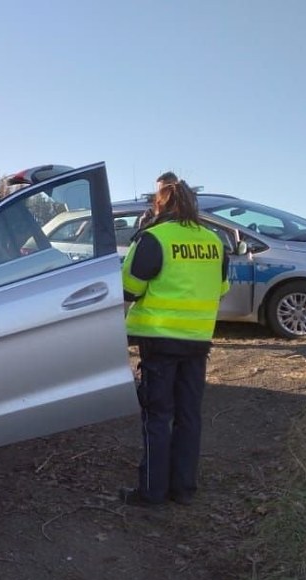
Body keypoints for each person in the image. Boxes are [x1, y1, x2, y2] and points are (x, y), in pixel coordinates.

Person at [120, 178, 229, 507]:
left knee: (157, 415)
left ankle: (152, 492)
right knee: (188, 415)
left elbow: (129, 289)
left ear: (158, 204)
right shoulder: (215, 240)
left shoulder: (154, 238)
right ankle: (183, 489)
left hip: (159, 340)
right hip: (197, 341)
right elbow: (221, 289)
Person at [131, 171, 179, 242]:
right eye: (159, 190)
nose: (160, 194)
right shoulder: (150, 215)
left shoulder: (187, 216)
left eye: (163, 190)